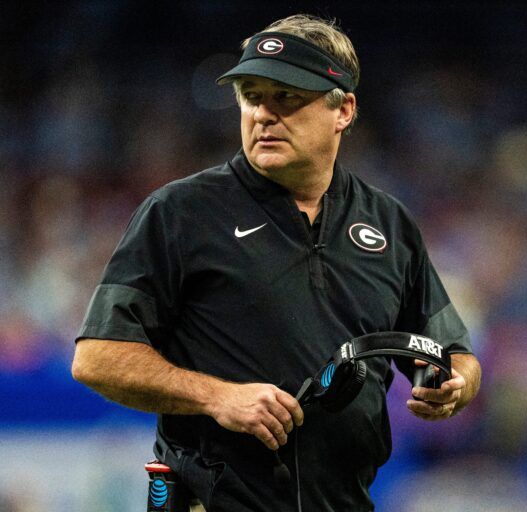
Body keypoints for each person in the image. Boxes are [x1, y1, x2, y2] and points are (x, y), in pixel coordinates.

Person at [71, 13, 481, 512]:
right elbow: (96, 357)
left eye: (287, 97)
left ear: (344, 110)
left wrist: (453, 386)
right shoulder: (181, 213)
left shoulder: (389, 225)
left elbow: (454, 353)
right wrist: (217, 397)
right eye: (251, 95)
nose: (263, 113)